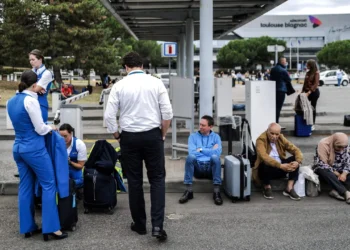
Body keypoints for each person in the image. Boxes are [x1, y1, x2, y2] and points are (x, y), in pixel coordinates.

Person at [104, 52, 173, 241]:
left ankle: (140, 224)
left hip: (129, 137)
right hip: (152, 135)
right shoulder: (156, 82)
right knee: (157, 179)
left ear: (126, 67)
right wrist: (163, 133)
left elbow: (109, 116)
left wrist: (117, 134)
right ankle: (157, 225)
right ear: (142, 65)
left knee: (134, 181)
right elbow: (167, 112)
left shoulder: (119, 86)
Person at [7, 70, 67, 241]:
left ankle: (27, 226)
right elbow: (40, 128)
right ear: (34, 85)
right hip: (34, 149)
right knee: (49, 184)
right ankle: (52, 228)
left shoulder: (11, 101)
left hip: (18, 147)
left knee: (25, 187)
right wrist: (52, 128)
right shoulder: (30, 100)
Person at [179, 115, 223, 205]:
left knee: (215, 158)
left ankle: (216, 192)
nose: (200, 127)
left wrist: (201, 149)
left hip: (211, 169)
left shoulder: (216, 137)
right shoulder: (193, 137)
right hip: (198, 168)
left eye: (203, 125)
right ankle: (188, 191)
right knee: (190, 157)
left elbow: (217, 153)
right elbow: (192, 152)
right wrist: (211, 150)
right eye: (200, 124)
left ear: (210, 127)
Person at [253, 123, 303, 201]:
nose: (274, 136)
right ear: (267, 131)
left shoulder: (281, 138)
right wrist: (280, 165)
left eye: (277, 134)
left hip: (280, 168)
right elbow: (264, 156)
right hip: (266, 171)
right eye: (272, 133)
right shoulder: (261, 140)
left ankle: (289, 188)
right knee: (264, 163)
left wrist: (298, 161)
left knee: (295, 161)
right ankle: (267, 187)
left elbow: (295, 150)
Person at [314, 133, 350, 203]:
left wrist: (344, 174)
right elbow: (321, 163)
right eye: (339, 147)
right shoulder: (323, 144)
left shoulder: (345, 146)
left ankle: (335, 191)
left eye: (343, 147)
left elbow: (348, 162)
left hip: (341, 171)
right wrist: (338, 174)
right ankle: (346, 192)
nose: (341, 149)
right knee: (323, 170)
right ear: (333, 142)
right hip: (328, 171)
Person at [59, 123, 87, 189]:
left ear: (71, 134)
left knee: (81, 181)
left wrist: (70, 162)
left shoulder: (79, 144)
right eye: (61, 136)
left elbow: (80, 166)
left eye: (65, 136)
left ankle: (71, 186)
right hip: (61, 169)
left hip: (74, 169)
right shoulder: (57, 144)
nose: (63, 139)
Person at [29, 49, 53, 123]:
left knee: (41, 129)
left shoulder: (47, 73)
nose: (31, 62)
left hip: (40, 104)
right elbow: (22, 87)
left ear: (40, 59)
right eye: (30, 60)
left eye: (33, 59)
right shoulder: (30, 72)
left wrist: (31, 88)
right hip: (29, 103)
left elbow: (35, 89)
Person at [270, 57, 292, 124]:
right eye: (285, 61)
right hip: (281, 90)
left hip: (273, 89)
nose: (286, 63)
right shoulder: (283, 70)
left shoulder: (273, 69)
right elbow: (289, 79)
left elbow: (271, 78)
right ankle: (276, 123)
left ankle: (273, 122)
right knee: (278, 107)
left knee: (274, 106)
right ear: (282, 62)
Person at [302, 59, 320, 131]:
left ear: (311, 65)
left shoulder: (316, 73)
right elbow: (305, 83)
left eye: (307, 64)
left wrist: (309, 92)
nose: (306, 65)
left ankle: (312, 124)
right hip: (306, 92)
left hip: (313, 92)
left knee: (312, 108)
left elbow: (315, 84)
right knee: (304, 107)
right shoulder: (308, 73)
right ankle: (306, 121)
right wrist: (302, 91)